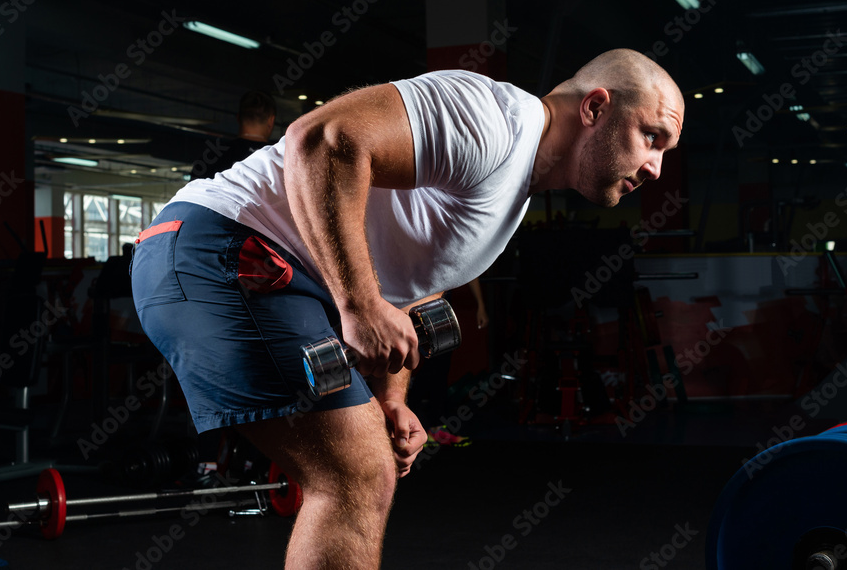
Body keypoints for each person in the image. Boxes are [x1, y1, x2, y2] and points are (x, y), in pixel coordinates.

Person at [130, 48, 684, 569]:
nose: (656, 167)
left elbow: (412, 279)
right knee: (356, 477)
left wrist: (391, 401)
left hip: (233, 260)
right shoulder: (495, 120)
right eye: (651, 137)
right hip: (220, 249)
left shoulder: (513, 185)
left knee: (365, 471)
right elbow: (322, 138)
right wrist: (358, 303)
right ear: (595, 107)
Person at [190, 90, 276, 180]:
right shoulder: (279, 157)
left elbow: (192, 190)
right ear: (271, 120)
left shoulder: (212, 156)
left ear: (238, 118)